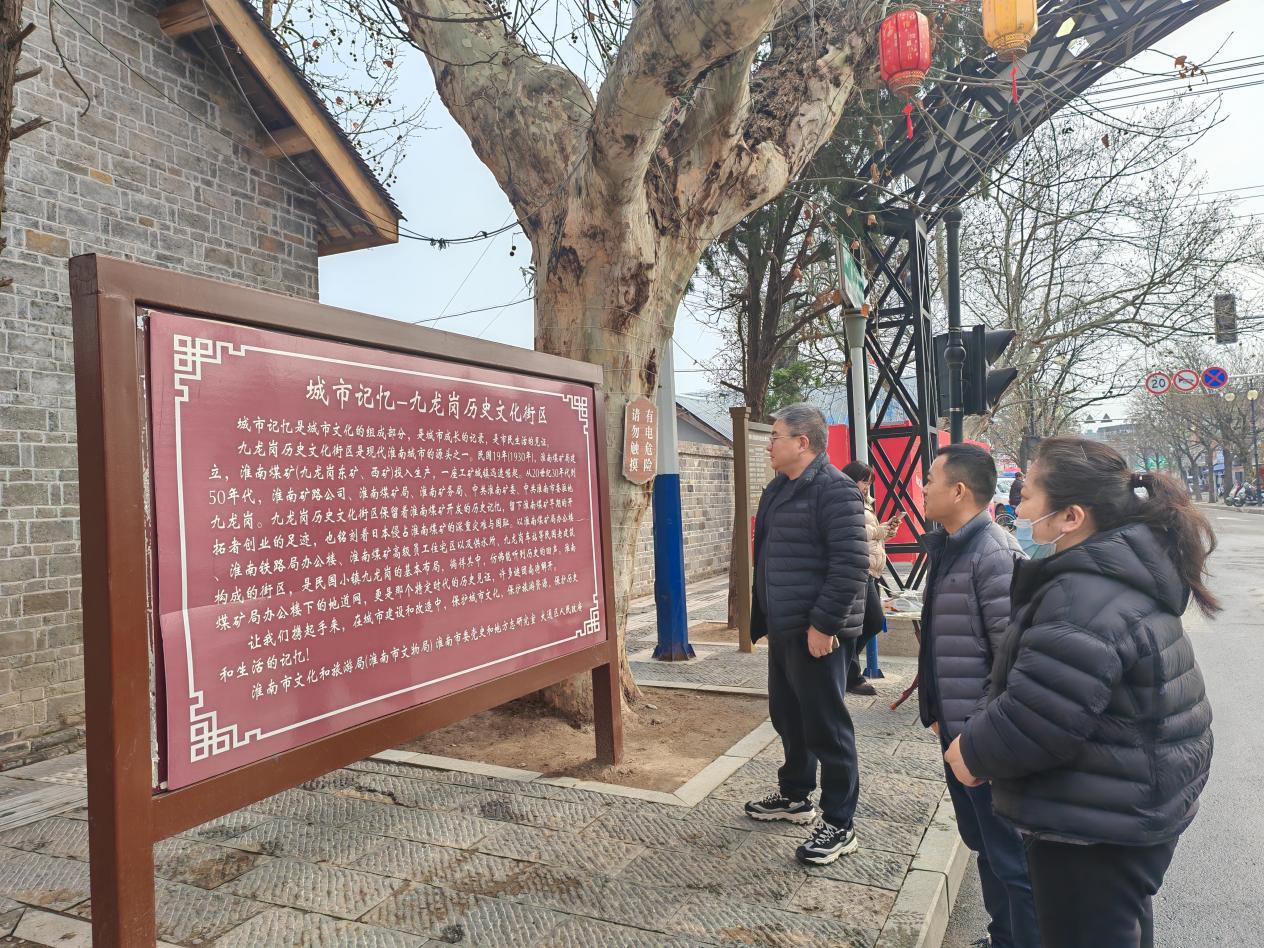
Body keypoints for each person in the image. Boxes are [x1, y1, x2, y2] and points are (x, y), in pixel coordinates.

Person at [945, 437, 1216, 948]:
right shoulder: (1106, 575)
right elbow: (1037, 681)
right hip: (1125, 804)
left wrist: (974, 750)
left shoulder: (1082, 596)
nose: (1017, 510)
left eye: (1027, 496)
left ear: (1071, 516)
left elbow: (1040, 716)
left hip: (1096, 825)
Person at [919, 444, 1037, 948]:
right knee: (986, 848)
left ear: (959, 490)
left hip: (982, 739)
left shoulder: (995, 555)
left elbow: (1012, 664)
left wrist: (979, 739)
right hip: (958, 730)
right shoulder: (952, 547)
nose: (923, 487)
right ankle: (1003, 937)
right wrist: (936, 711)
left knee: (1012, 860)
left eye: (930, 478)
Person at [743, 403, 870, 865]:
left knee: (826, 726)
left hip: (817, 632)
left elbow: (851, 564)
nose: (768, 445)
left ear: (802, 442)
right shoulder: (778, 488)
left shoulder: (835, 491)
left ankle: (840, 822)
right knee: (789, 716)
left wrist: (824, 624)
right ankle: (795, 794)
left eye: (775, 436)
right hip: (785, 627)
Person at [840, 460, 903, 696]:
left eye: (869, 482)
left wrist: (886, 530)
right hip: (859, 569)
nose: (867, 486)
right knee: (869, 622)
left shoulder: (864, 502)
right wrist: (879, 531)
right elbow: (852, 531)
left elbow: (869, 534)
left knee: (869, 622)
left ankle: (846, 668)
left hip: (871, 570)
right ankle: (849, 673)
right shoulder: (845, 500)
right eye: (864, 481)